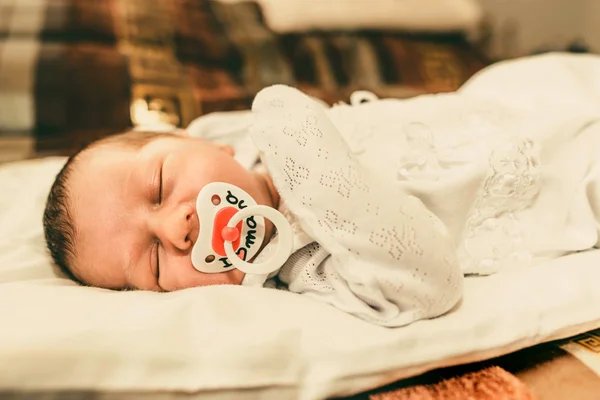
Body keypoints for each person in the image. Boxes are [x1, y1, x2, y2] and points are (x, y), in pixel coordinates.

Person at [43, 53, 600, 327]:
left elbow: (236, 123)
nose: (176, 227)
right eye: (157, 265)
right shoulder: (308, 268)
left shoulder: (238, 135)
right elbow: (426, 282)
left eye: (160, 186)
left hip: (500, 106)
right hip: (560, 186)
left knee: (526, 79)